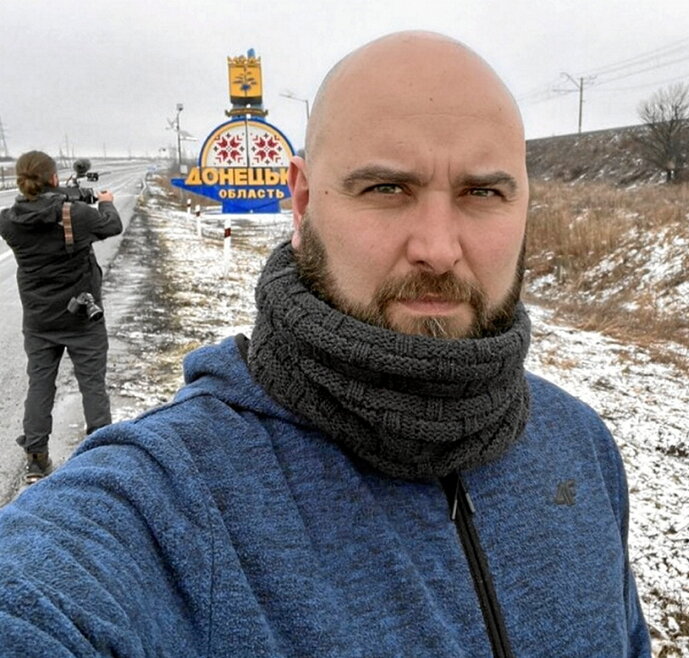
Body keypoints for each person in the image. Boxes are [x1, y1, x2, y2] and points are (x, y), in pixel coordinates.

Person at [0, 33, 650, 656]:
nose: (438, 248)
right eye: (386, 188)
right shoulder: (170, 507)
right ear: (303, 202)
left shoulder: (582, 448)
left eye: (482, 192)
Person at [0, 151, 122, 483]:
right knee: (92, 384)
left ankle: (36, 459)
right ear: (54, 179)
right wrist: (105, 201)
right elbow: (112, 224)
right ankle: (101, 452)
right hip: (82, 316)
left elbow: (36, 212)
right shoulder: (77, 214)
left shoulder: (8, 220)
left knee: (40, 385)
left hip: (39, 321)